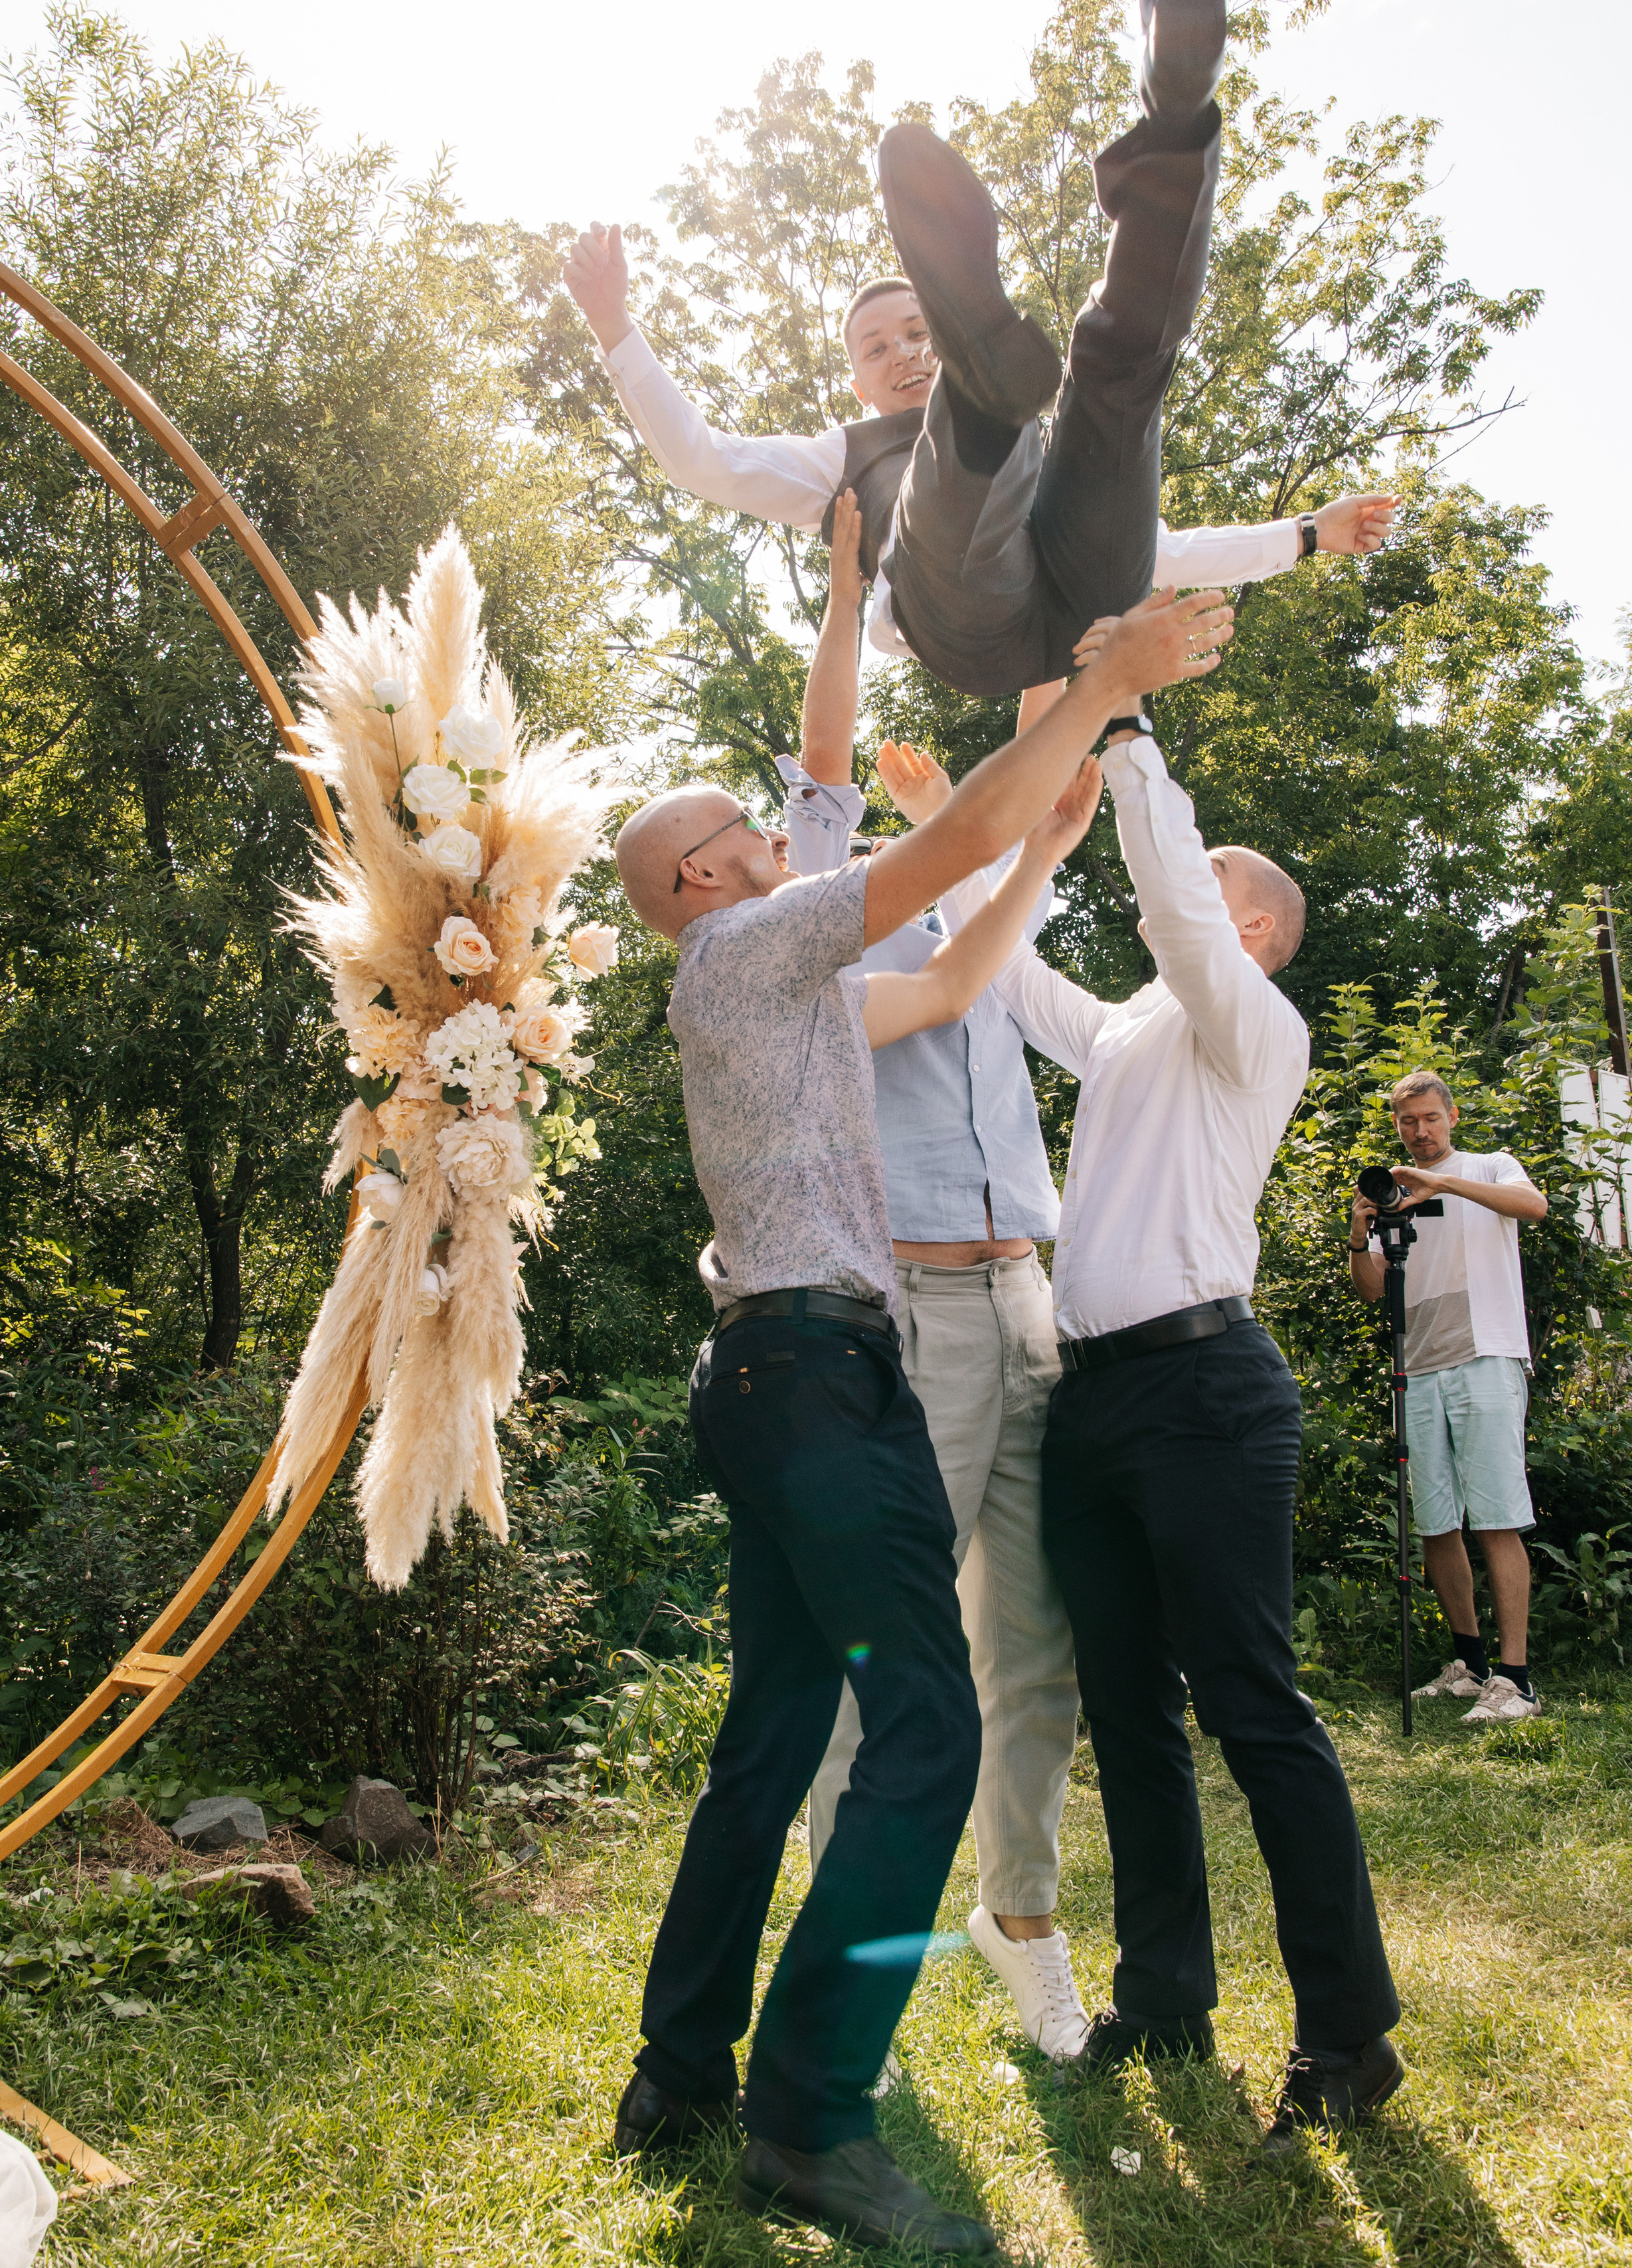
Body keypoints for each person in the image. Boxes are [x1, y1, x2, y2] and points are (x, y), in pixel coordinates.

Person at [607, 586, 1231, 2253]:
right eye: (746, 832)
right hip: (816, 1379)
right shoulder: (746, 949)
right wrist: (1098, 684)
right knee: (928, 1731)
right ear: (698, 880)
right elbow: (938, 833)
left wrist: (1046, 838)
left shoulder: (788, 986)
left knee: (763, 1742)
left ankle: (677, 2076)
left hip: (784, 1374)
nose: (776, 835)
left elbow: (953, 970)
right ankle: (809, 2115)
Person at [563, 0, 1395, 700]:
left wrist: (1309, 534)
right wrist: (613, 325)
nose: (902, 353)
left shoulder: (1040, 457)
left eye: (917, 332)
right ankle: (985, 392)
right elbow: (701, 461)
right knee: (972, 475)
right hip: (970, 623)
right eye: (877, 348)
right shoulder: (835, 461)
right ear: (858, 384)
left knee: (1118, 376)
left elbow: (1168, 551)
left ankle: (1178, 106)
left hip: (1091, 594)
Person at [953, 611, 1404, 2151]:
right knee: (1128, 1716)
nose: (1176, 901)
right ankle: (1161, 1996)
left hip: (1207, 1395)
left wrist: (1128, 726)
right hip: (1091, 1403)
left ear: (1252, 930)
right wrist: (959, 834)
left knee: (1249, 1708)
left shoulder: (1248, 1028)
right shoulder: (1131, 1038)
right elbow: (1009, 981)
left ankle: (1346, 2036)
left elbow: (1170, 905)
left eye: (1209, 891)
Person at [783, 492, 1092, 2066]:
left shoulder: (984, 903)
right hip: (910, 1316)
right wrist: (849, 584)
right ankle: (850, 1960)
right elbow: (825, 764)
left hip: (1030, 1297)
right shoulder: (814, 928)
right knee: (883, 1658)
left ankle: (1019, 1918)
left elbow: (1032, 790)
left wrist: (1060, 617)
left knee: (1034, 1648)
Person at [1346, 1070, 1548, 1723]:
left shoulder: (1488, 1166)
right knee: (1436, 1524)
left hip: (1485, 1355)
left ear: (1452, 1116)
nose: (1420, 1131)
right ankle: (1471, 1664)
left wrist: (1441, 1183)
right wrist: (1359, 1231)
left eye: (1430, 1118)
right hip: (1418, 1367)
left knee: (1495, 1517)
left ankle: (1516, 1681)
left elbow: (1534, 1207)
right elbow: (1372, 1289)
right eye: (1407, 1121)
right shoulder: (1392, 1195)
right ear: (1396, 1124)